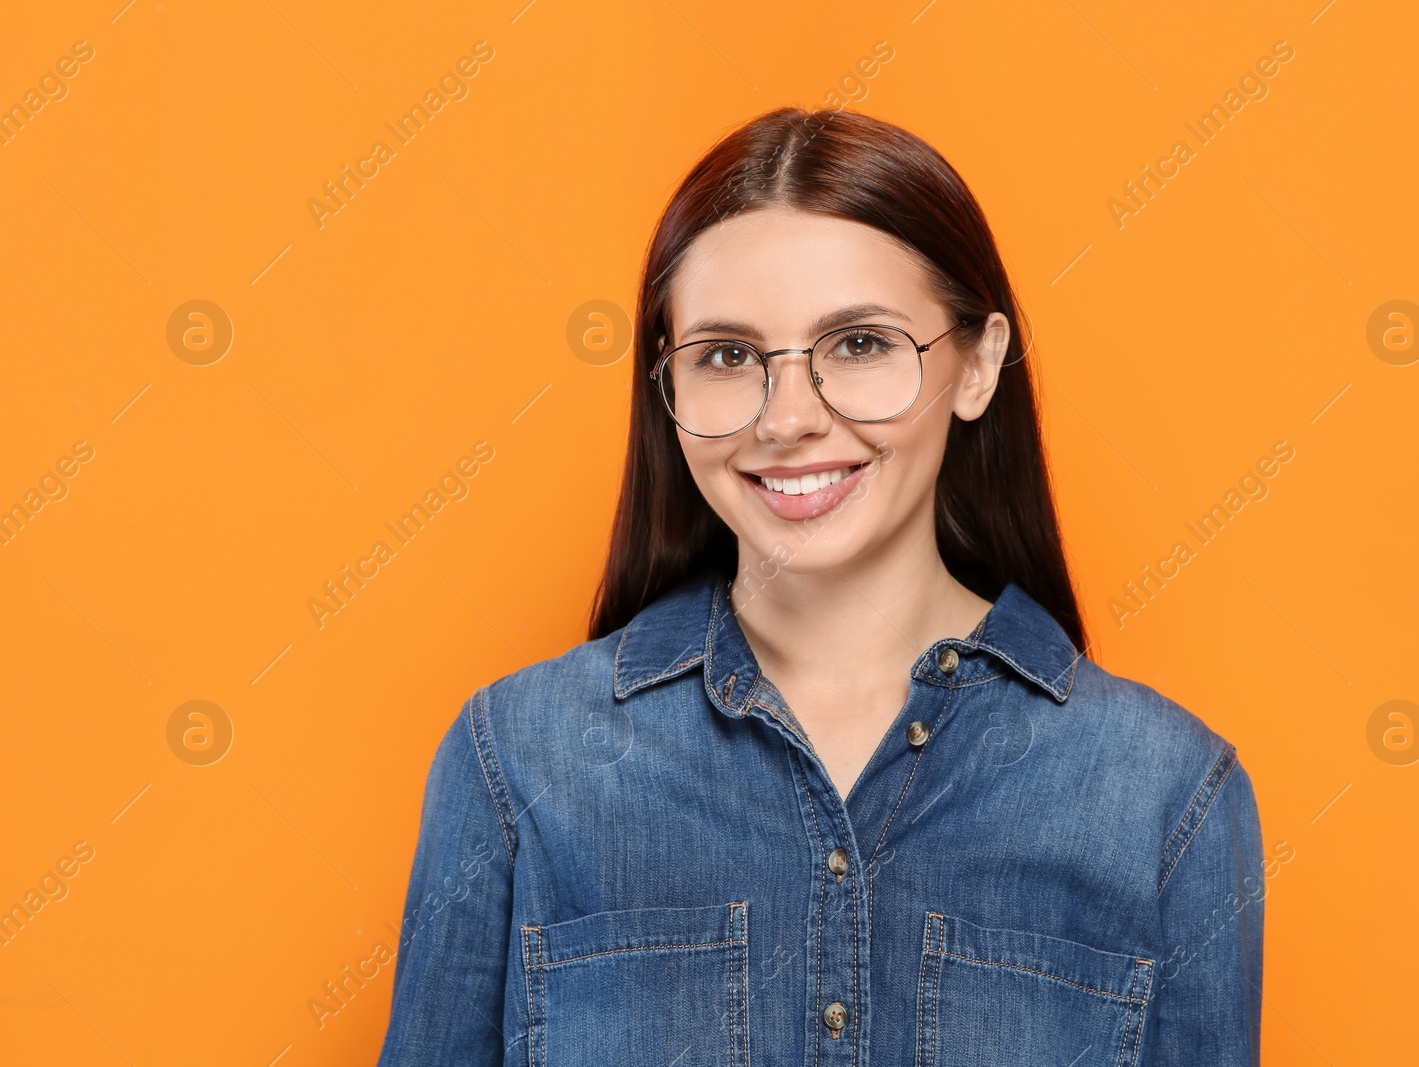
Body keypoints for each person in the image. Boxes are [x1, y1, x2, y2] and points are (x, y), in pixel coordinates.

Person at [376, 106, 1264, 1067]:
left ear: (979, 363)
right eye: (726, 356)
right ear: (666, 389)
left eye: (859, 344)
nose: (790, 418)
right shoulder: (514, 762)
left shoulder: (1168, 797)